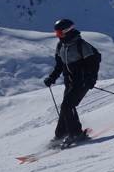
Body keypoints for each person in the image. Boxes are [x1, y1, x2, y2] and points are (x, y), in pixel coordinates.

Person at [43, 18, 101, 148]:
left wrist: (91, 79)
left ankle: (76, 134)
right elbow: (60, 65)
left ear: (67, 31)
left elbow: (94, 62)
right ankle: (61, 134)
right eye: (56, 33)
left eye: (59, 33)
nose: (58, 36)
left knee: (67, 106)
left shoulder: (81, 45)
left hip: (82, 82)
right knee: (66, 107)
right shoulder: (61, 46)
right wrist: (52, 78)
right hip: (69, 83)